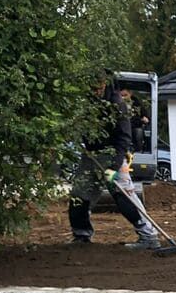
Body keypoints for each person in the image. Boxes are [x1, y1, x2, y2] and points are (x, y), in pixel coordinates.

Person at [68, 78, 159, 249]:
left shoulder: (117, 104)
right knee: (79, 197)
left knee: (124, 195)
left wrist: (114, 167)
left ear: (105, 84)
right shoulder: (86, 104)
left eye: (98, 87)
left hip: (113, 155)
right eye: (91, 88)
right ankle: (81, 235)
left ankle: (149, 236)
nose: (95, 91)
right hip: (91, 156)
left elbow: (124, 138)